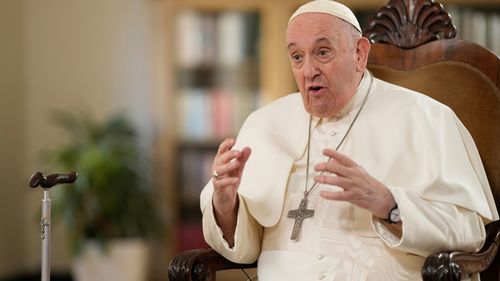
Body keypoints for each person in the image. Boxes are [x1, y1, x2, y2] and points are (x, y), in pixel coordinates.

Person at [200, 1, 499, 280]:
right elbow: (244, 247)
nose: (308, 71)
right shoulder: (264, 123)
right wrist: (226, 205)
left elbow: (469, 234)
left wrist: (388, 203)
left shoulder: (427, 117)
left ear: (359, 53)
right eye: (296, 57)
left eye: (322, 52)